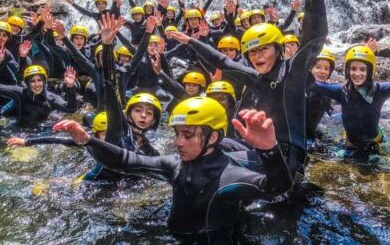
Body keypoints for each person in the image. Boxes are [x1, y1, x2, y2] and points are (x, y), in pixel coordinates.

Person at [53, 97, 293, 243]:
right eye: (177, 134)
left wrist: (269, 150)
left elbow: (277, 192)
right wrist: (87, 140)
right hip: (172, 236)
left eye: (187, 135)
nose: (178, 142)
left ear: (213, 138)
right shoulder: (174, 165)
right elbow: (124, 161)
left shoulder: (230, 176)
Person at [167, 0, 328, 176]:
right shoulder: (256, 78)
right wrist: (191, 41)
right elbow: (224, 62)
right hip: (261, 149)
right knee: (212, 145)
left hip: (289, 158)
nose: (257, 56)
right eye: (252, 53)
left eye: (263, 50)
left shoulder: (293, 72)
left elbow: (313, 40)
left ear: (278, 49)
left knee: (210, 164)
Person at [0, 64, 78, 125]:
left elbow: (71, 109)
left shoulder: (51, 98)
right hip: (20, 130)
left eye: (39, 80)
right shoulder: (20, 93)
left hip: (41, 132)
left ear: (44, 81)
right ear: (27, 83)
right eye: (33, 81)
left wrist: (70, 86)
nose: (37, 84)